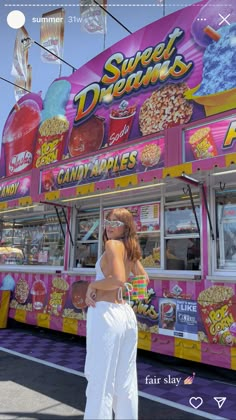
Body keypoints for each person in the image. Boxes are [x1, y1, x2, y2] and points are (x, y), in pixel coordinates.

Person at [84, 207, 148, 420]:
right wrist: (120, 292)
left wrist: (93, 284)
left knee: (99, 380)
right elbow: (143, 280)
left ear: (126, 227)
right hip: (125, 314)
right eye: (108, 221)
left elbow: (119, 279)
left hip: (105, 314)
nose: (110, 227)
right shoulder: (130, 249)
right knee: (125, 381)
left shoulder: (112, 245)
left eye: (116, 223)